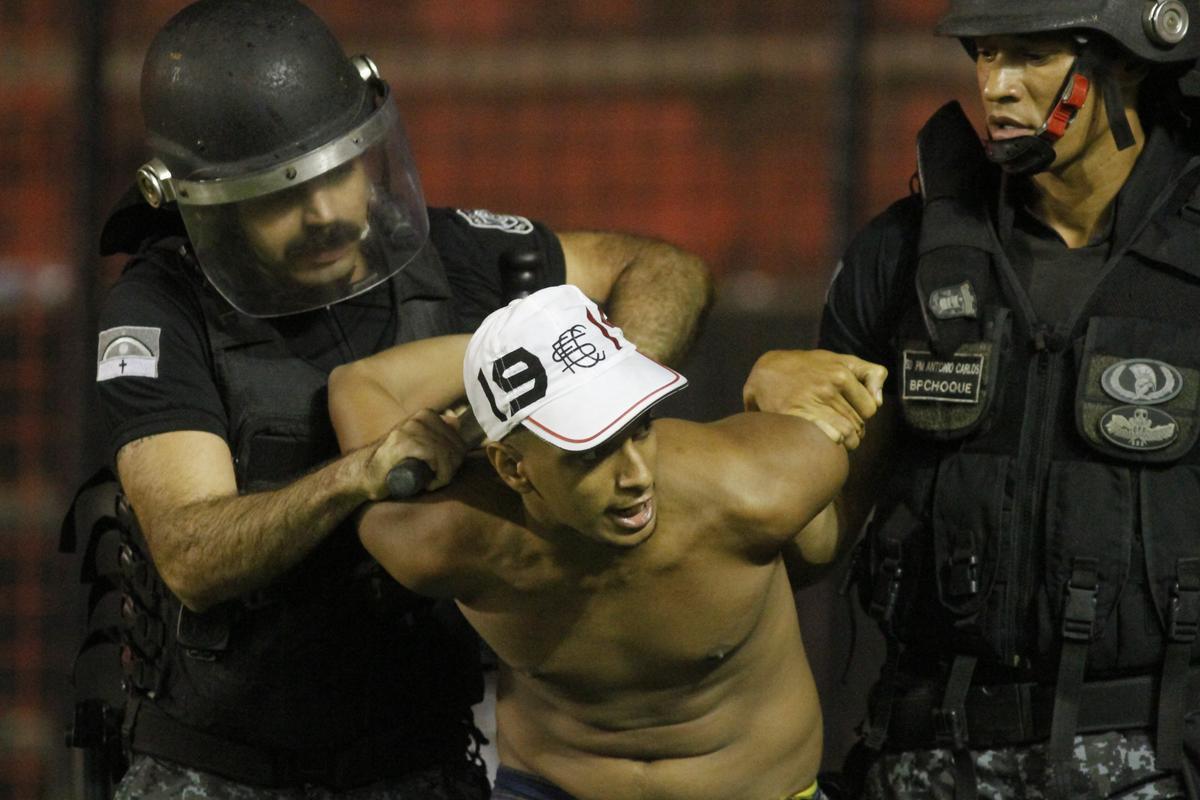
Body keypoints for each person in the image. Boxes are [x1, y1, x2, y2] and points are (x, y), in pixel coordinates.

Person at [87, 1, 711, 796]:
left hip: (421, 761)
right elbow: (190, 552)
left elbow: (666, 271)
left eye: (338, 172)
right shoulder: (162, 308)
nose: (322, 214)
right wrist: (358, 474)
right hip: (221, 769)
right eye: (278, 195)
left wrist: (595, 401)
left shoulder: (461, 255)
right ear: (199, 202)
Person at [743, 1, 1200, 797]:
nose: (996, 87)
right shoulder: (909, 252)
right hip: (925, 754)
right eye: (985, 55)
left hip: (1154, 757)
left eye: (1029, 56)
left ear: (1127, 58)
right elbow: (816, 542)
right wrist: (772, 402)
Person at [325, 284, 850, 800]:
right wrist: (510, 357)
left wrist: (777, 377)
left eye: (641, 427)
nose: (637, 476)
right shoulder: (441, 539)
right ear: (511, 468)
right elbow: (355, 380)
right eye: (590, 453)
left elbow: (830, 528)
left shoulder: (757, 485)